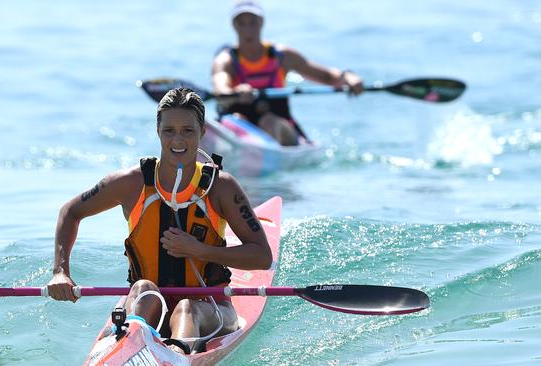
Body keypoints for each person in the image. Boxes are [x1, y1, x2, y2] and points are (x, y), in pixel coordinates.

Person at [46, 88, 272, 353]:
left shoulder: (221, 187)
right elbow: (69, 212)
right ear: (157, 130)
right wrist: (60, 271)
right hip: (148, 302)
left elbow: (261, 256)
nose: (178, 139)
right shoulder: (130, 183)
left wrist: (200, 250)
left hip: (210, 307)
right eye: (169, 131)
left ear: (203, 132)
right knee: (143, 289)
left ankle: (176, 355)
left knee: (187, 308)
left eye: (188, 130)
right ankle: (127, 349)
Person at [212, 0, 364, 146]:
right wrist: (235, 92)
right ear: (234, 26)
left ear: (262, 23)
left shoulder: (282, 56)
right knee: (234, 120)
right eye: (241, 23)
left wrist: (348, 76)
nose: (248, 29)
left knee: (269, 122)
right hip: (241, 127)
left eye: (253, 22)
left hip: (280, 128)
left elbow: (327, 77)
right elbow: (220, 90)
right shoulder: (226, 61)